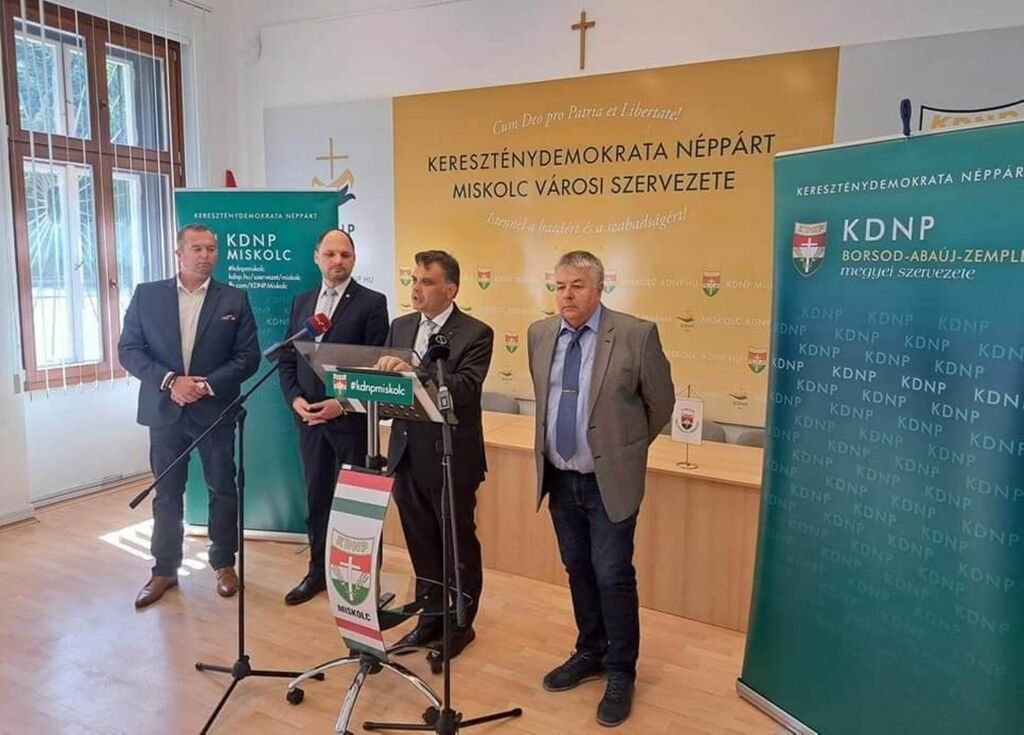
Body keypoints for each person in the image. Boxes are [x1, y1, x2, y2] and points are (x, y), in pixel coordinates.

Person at [527, 250, 674, 727]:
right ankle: (590, 650)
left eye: (577, 286)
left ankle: (621, 670)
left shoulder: (636, 334)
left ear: (600, 287)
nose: (566, 295)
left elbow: (660, 403)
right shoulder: (539, 334)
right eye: (559, 286)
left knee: (612, 573)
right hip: (559, 476)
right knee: (577, 568)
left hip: (609, 480)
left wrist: (622, 449)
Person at [119, 223, 260, 609]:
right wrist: (170, 382)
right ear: (178, 253)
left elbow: (248, 357)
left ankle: (223, 563)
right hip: (164, 410)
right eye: (197, 248)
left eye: (211, 249)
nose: (205, 255)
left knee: (222, 488)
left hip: (214, 410)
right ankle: (164, 569)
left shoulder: (234, 299)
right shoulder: (147, 295)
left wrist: (205, 385)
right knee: (167, 492)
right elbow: (129, 350)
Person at [375, 250, 493, 658]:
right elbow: (388, 388)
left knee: (456, 545)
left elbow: (464, 388)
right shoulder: (401, 325)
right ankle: (429, 618)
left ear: (451, 289)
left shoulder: (476, 333)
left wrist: (415, 373)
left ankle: (460, 624)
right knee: (421, 543)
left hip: (450, 457)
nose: (416, 289)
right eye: (414, 280)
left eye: (427, 282)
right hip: (406, 453)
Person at [278, 228, 389, 605]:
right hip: (309, 422)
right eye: (330, 254)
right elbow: (288, 358)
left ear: (354, 259)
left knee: (357, 510)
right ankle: (317, 572)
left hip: (351, 425)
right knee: (317, 501)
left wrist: (340, 404)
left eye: (345, 254)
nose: (338, 261)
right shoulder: (302, 301)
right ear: (317, 258)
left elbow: (375, 367)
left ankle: (361, 586)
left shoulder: (372, 303)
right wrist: (294, 399)